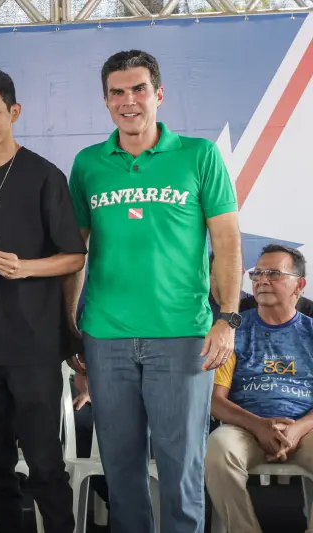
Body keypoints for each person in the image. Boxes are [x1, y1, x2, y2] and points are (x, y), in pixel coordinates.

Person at [64, 50, 243, 533]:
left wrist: (227, 318)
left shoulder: (198, 156)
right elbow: (73, 255)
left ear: (158, 94)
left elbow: (226, 242)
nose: (128, 101)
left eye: (138, 89)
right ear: (105, 101)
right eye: (117, 93)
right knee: (120, 474)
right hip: (106, 338)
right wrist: (70, 329)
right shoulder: (87, 165)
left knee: (181, 472)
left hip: (182, 338)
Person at [0, 68, 86, 533]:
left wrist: (26, 266)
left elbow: (73, 256)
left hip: (32, 347)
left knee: (46, 464)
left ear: (14, 111)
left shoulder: (45, 175)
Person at [206, 244, 313, 532]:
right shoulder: (231, 331)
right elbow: (215, 400)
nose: (262, 280)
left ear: (299, 285)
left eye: (274, 274)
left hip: (306, 428)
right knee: (217, 450)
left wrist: (299, 428)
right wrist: (259, 426)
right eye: (258, 273)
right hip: (245, 427)